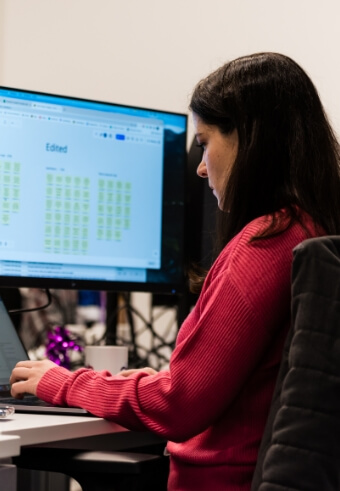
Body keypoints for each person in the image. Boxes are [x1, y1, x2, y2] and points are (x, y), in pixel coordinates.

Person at [10, 52, 340, 491]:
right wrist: (144, 381)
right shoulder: (312, 229)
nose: (200, 167)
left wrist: (63, 383)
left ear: (249, 139)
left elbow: (178, 405)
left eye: (204, 143)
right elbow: (227, 385)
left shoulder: (264, 246)